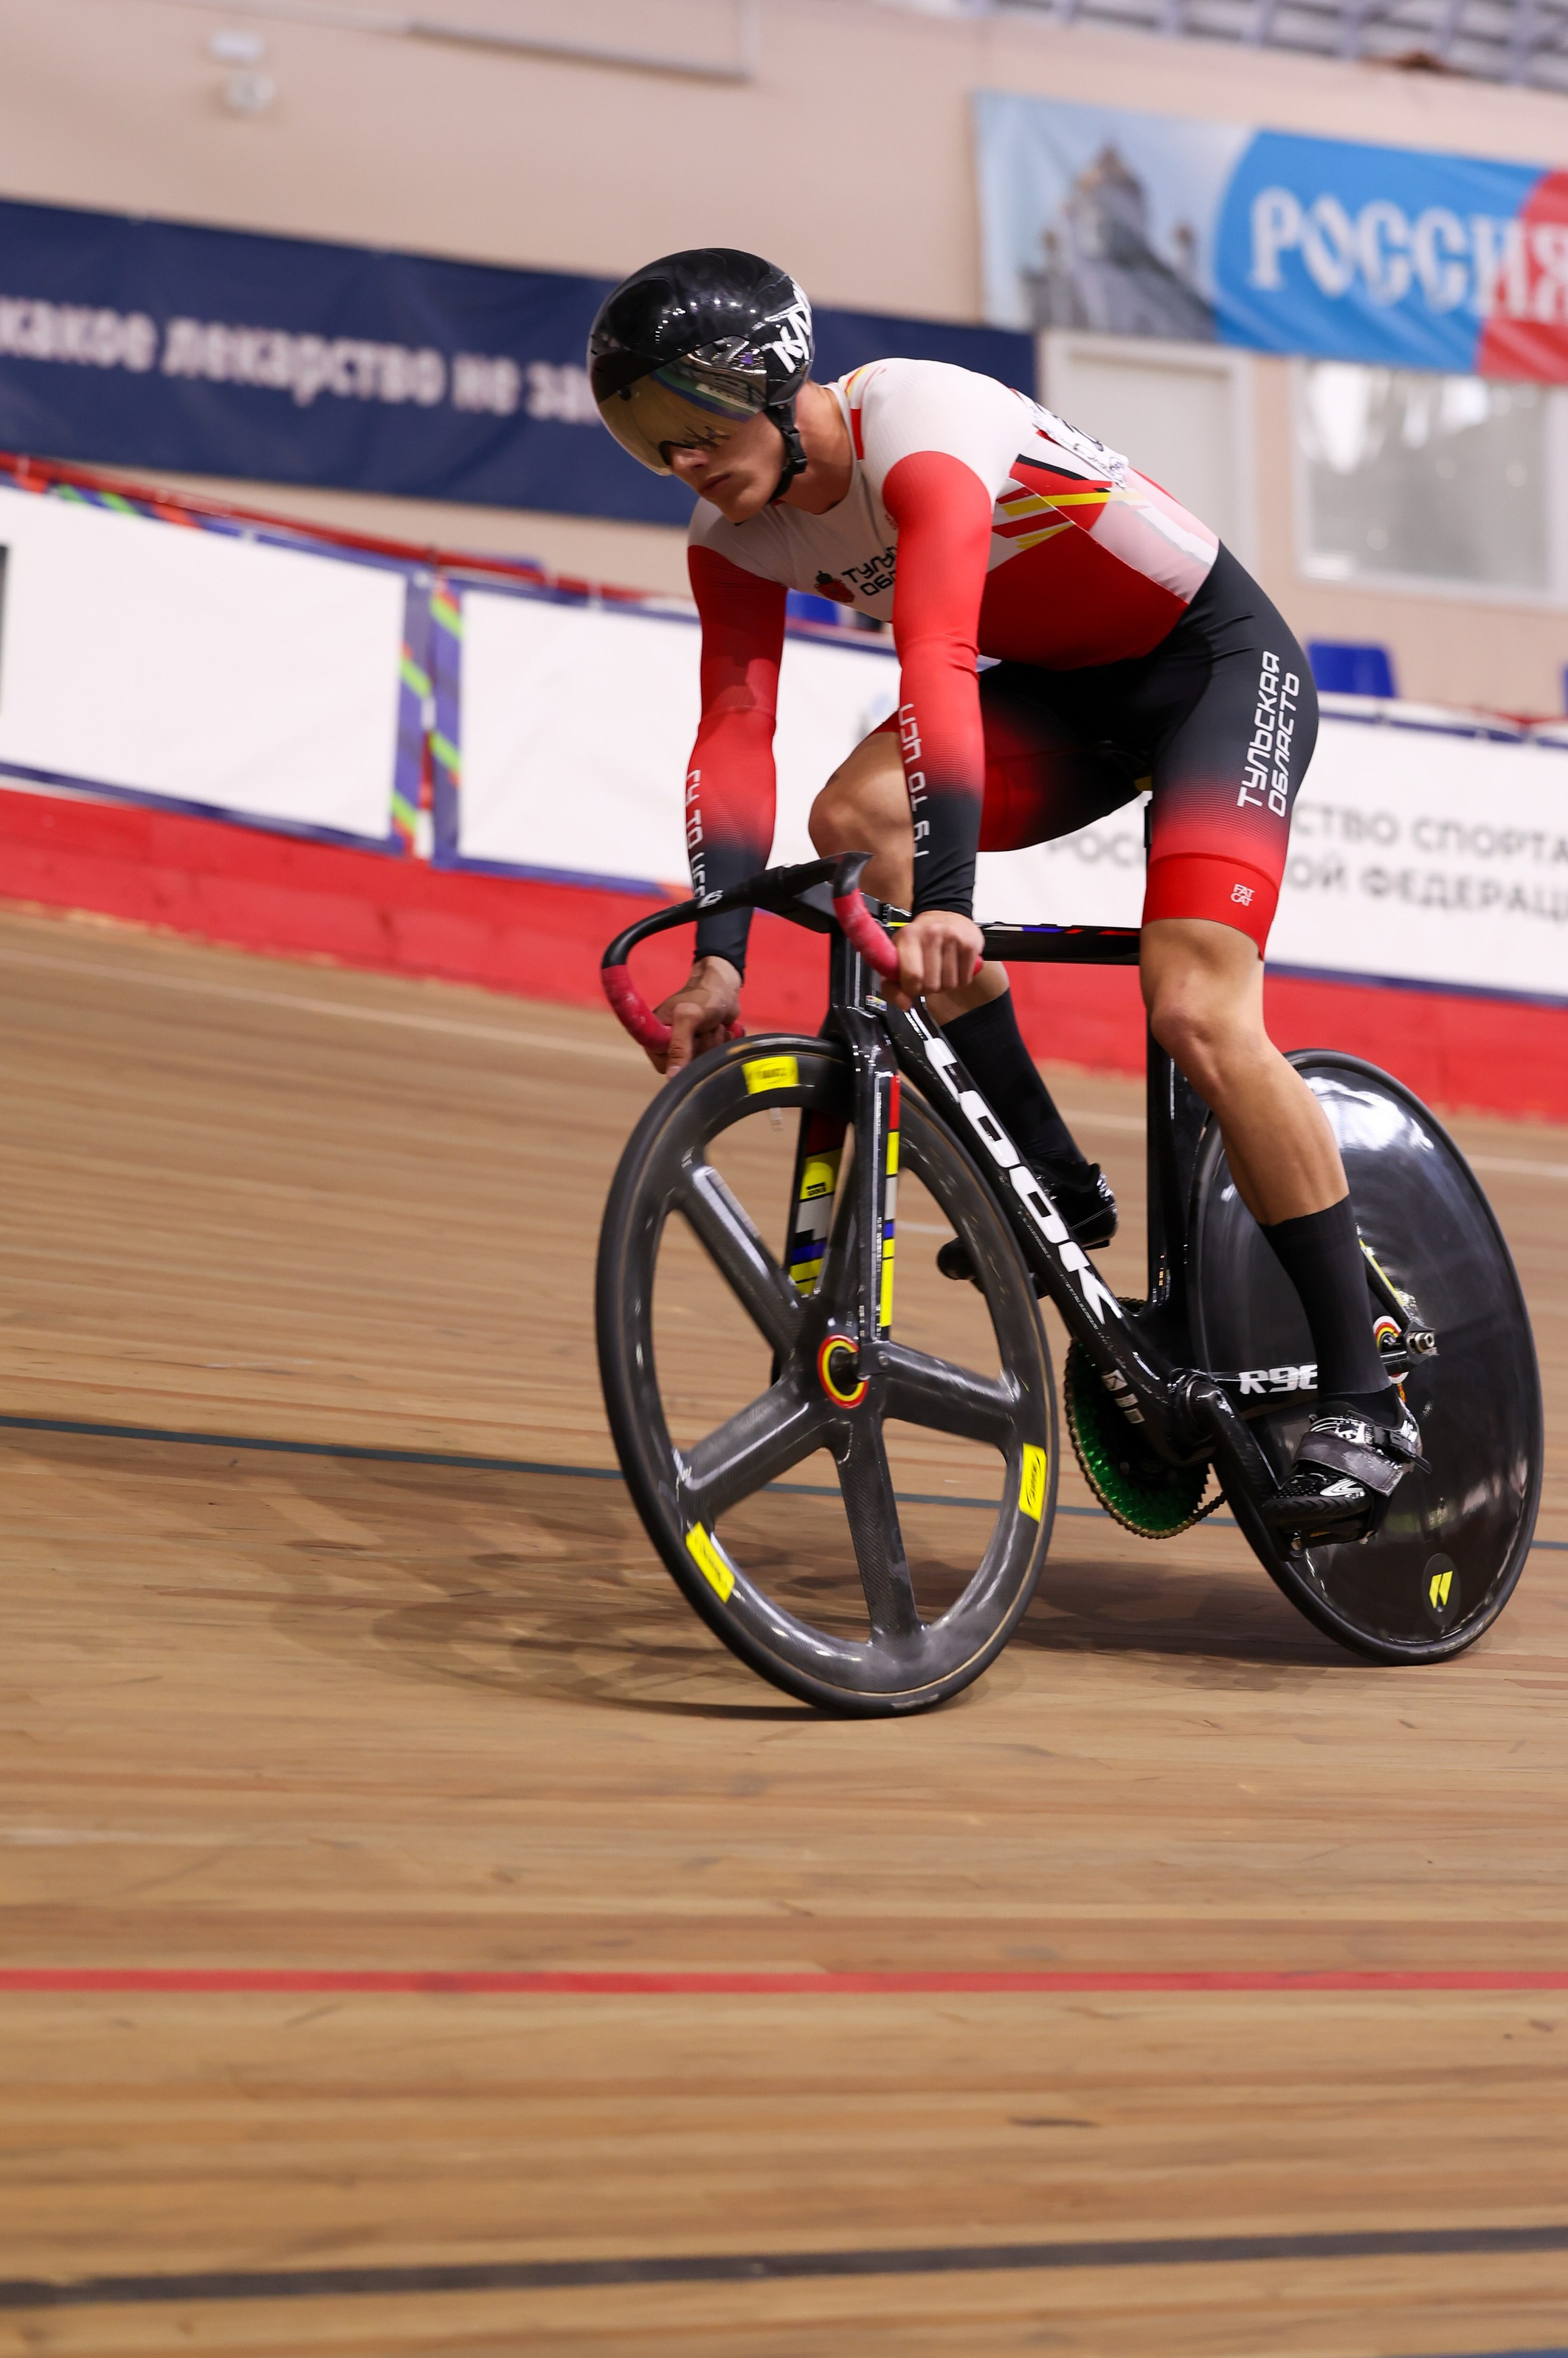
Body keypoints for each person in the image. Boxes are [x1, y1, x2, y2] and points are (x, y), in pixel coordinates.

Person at [588, 249, 1415, 1542]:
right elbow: (732, 735)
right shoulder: (730, 538)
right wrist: (722, 959)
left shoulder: (915, 422)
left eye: (690, 421)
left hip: (1211, 669)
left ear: (775, 370)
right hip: (1066, 700)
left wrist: (951, 897)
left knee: (1196, 1008)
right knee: (850, 824)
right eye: (642, 438)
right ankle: (1054, 1177)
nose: (678, 459)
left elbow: (939, 661)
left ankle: (1367, 1396)